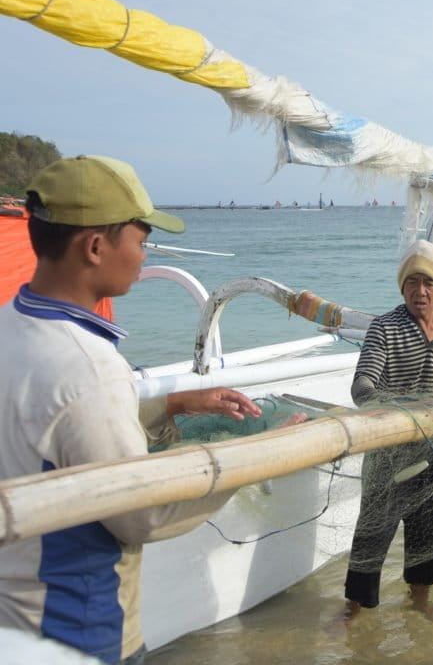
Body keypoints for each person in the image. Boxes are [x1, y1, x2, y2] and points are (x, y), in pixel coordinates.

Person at [0, 155, 269, 665]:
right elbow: (144, 514)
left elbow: (44, 432)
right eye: (141, 241)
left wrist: (168, 404)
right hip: (76, 634)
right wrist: (251, 459)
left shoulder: (10, 325)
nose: (145, 256)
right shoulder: (87, 367)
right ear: (96, 246)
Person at [343, 239, 433, 618]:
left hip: (432, 451)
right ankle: (353, 612)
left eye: (428, 283)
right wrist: (405, 409)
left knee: (428, 533)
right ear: (402, 286)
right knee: (372, 535)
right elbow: (361, 388)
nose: (420, 291)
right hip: (388, 452)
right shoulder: (385, 328)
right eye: (412, 282)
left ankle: (420, 603)